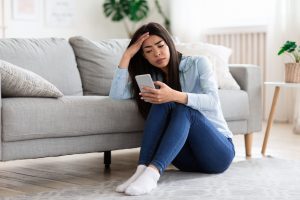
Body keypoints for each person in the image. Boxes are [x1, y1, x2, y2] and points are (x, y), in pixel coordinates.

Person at [109, 22, 235, 196]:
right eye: (148, 51)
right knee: (161, 102)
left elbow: (213, 101)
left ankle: (152, 174)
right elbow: (116, 95)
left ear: (169, 44)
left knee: (184, 110)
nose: (157, 53)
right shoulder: (153, 77)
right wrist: (128, 55)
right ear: (143, 56)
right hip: (185, 159)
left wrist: (174, 95)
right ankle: (141, 169)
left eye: (160, 46)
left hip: (218, 154)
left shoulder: (199, 63)